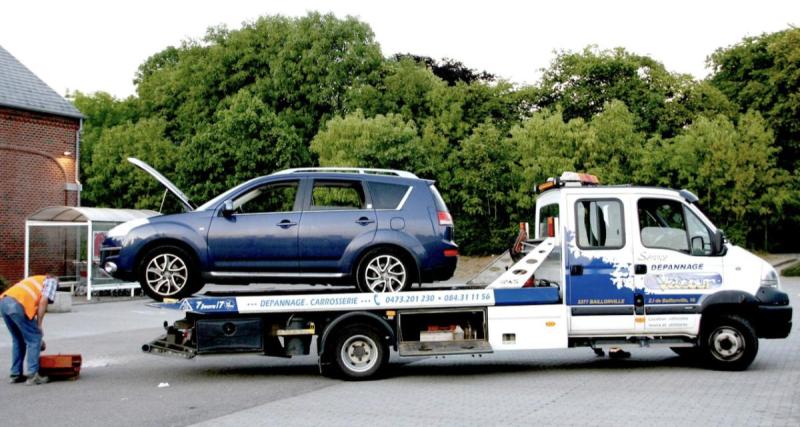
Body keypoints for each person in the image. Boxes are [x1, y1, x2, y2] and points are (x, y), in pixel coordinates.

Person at [1, 274, 58, 385]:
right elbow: (43, 301)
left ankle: (15, 374)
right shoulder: (52, 281)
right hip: (18, 305)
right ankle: (33, 375)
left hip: (4, 302)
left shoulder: (35, 279)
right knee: (34, 338)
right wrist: (39, 326)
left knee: (18, 339)